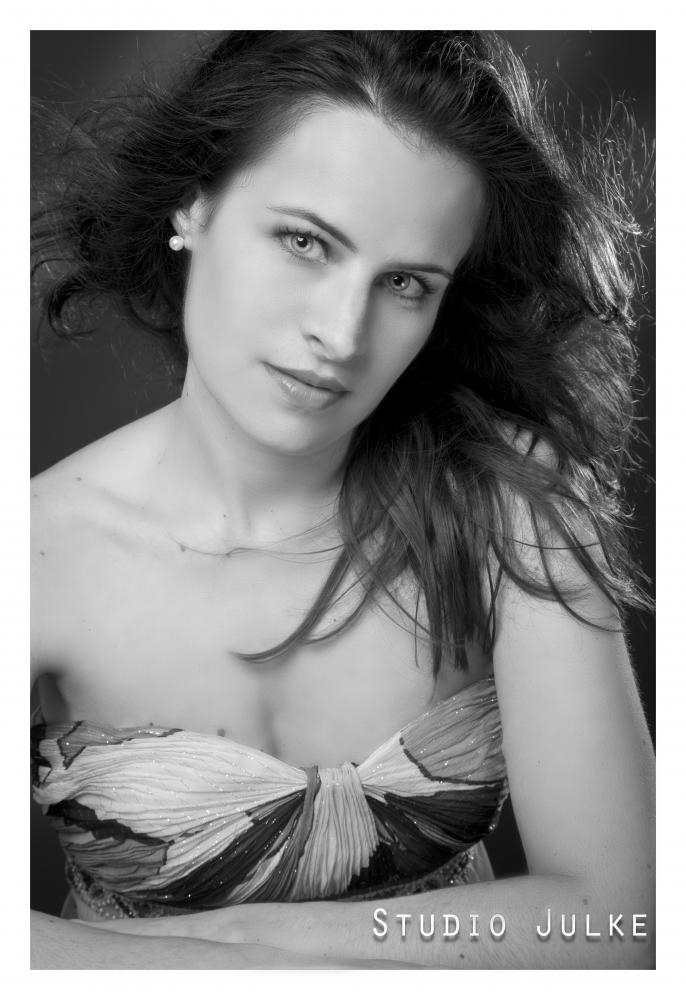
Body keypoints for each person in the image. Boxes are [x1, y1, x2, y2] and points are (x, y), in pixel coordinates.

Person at [30, 30, 655, 969]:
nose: (341, 332)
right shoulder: (35, 554)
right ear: (192, 208)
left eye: (404, 283)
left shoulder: (508, 498)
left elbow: (618, 925)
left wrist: (227, 943)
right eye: (304, 241)